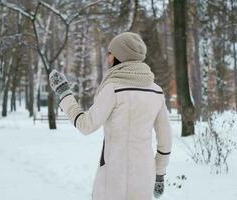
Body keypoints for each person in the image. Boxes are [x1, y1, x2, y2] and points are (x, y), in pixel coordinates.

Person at [49, 32, 172, 200]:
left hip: (114, 179)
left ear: (120, 56)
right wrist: (159, 175)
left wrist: (64, 94)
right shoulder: (156, 91)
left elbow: (86, 125)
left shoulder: (113, 88)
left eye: (110, 53)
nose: (108, 58)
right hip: (144, 176)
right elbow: (166, 140)